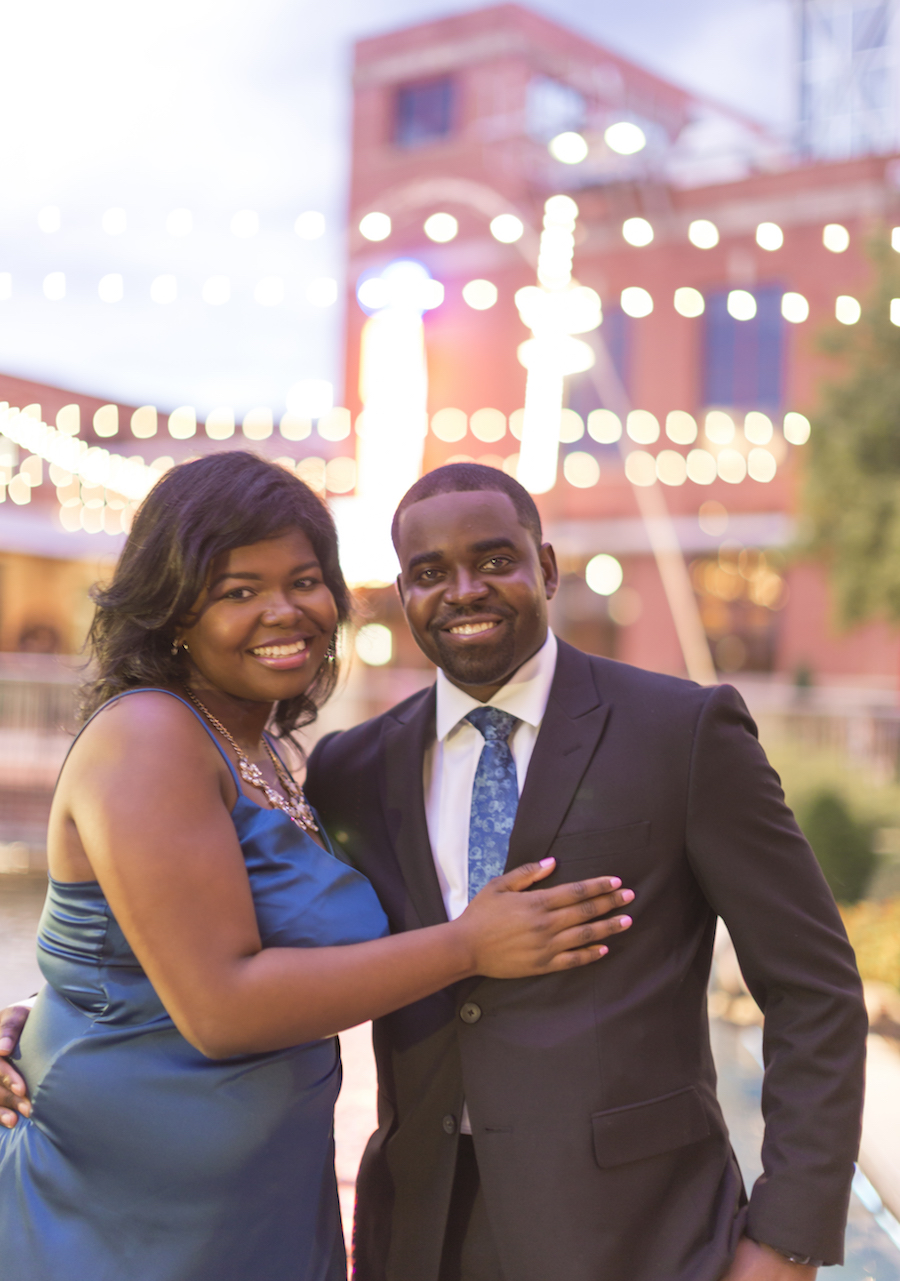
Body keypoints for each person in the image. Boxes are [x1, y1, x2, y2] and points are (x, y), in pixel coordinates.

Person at [0, 452, 633, 1281]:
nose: (285, 610)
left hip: (258, 1204)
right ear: (173, 610)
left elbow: (145, 949)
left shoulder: (265, 752)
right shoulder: (150, 735)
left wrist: (39, 1006)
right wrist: (469, 945)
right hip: (116, 1216)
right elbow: (220, 1006)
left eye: (304, 581)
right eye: (239, 590)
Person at [299, 464, 867, 1281]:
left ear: (547, 567)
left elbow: (813, 985)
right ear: (402, 593)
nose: (464, 590)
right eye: (430, 573)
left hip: (643, 1235)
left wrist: (787, 1240)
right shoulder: (350, 769)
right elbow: (285, 950)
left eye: (495, 560)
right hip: (421, 1232)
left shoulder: (684, 732)